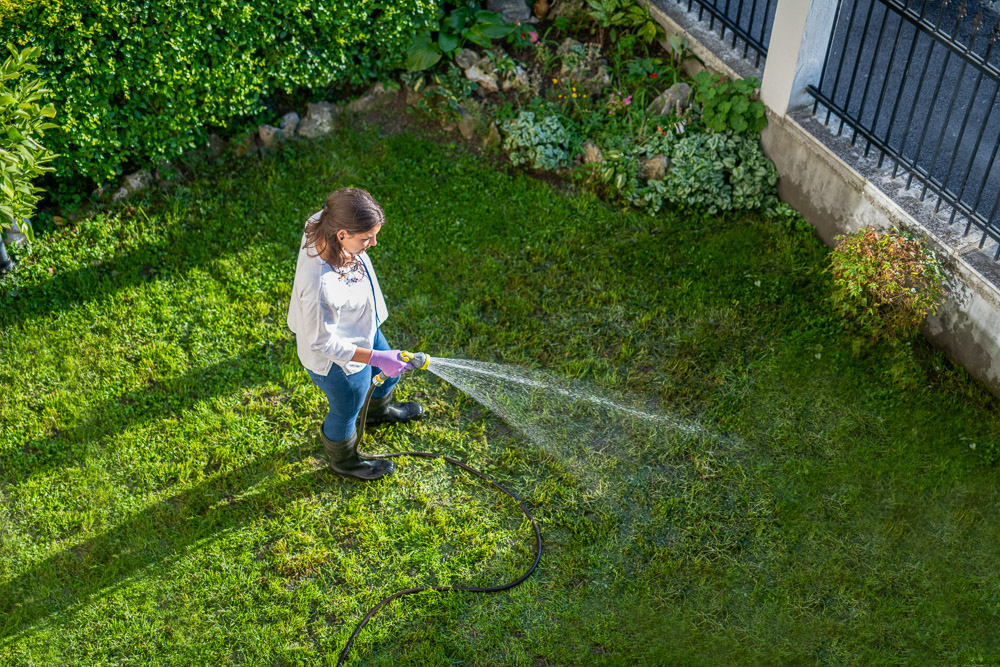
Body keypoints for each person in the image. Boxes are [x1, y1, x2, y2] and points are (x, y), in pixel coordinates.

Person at [287, 188, 423, 481]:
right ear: (342, 234)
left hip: (360, 328)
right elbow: (322, 341)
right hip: (336, 362)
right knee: (348, 406)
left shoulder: (323, 221)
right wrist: (376, 356)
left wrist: (378, 354)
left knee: (390, 374)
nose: (374, 243)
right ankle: (345, 461)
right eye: (366, 238)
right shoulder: (318, 286)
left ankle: (376, 413)